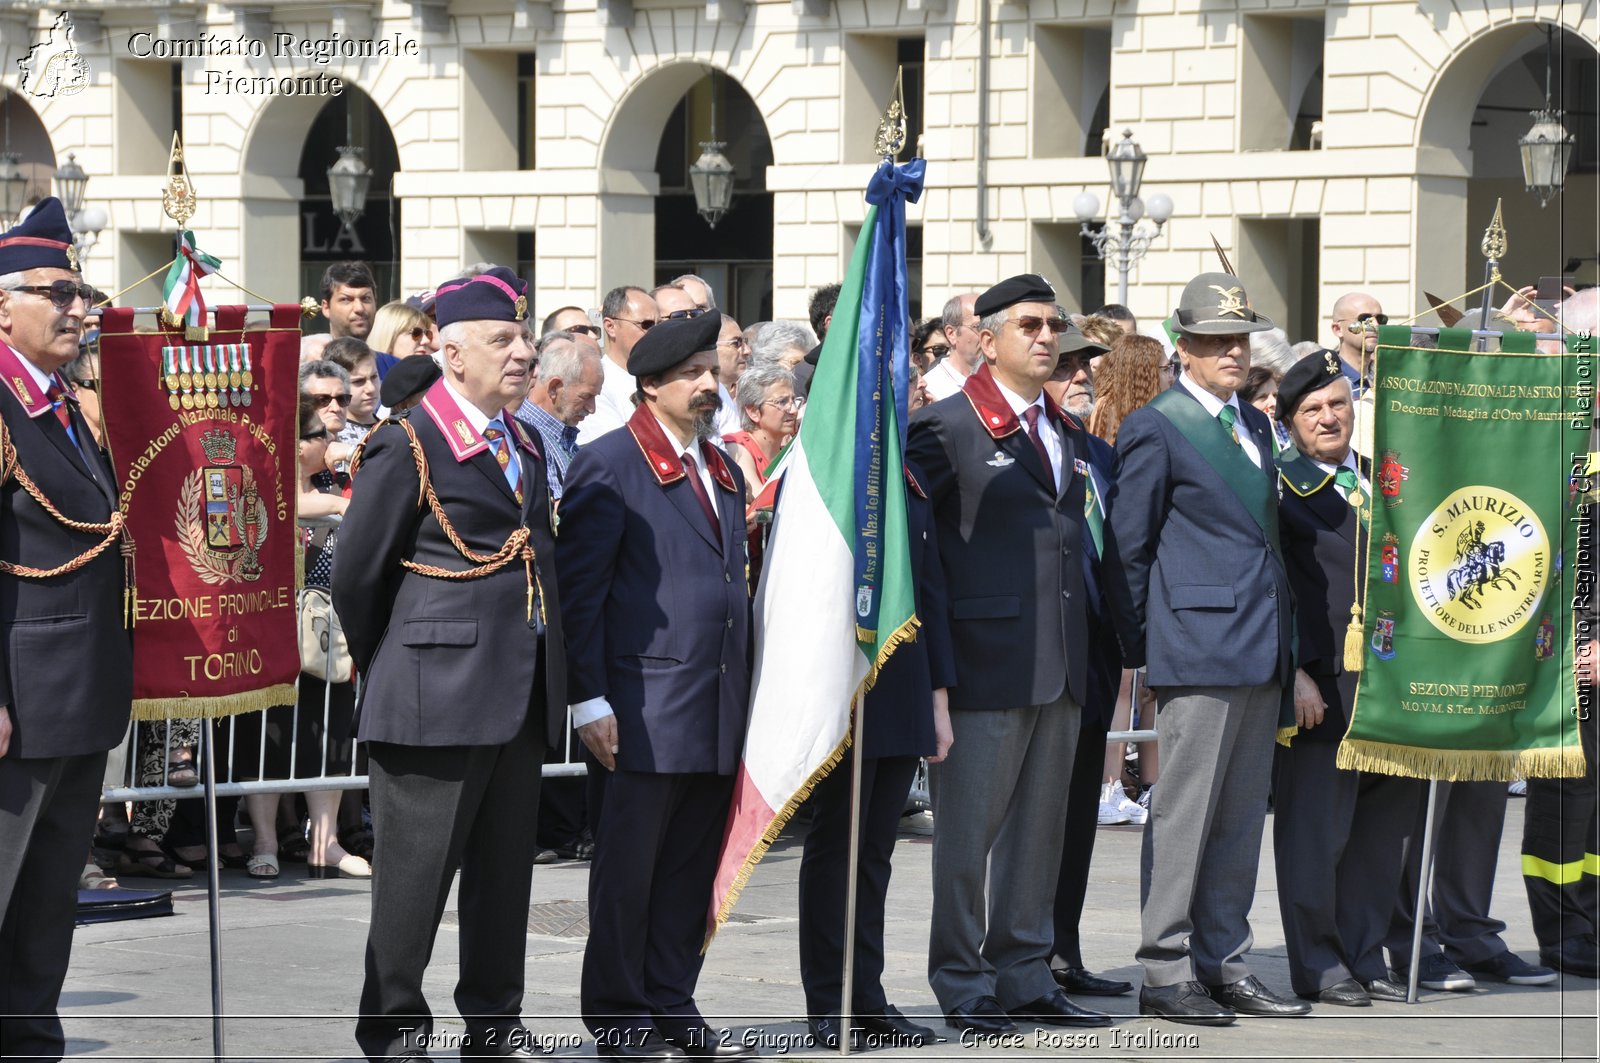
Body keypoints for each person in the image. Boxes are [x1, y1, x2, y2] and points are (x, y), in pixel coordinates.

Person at [333, 267, 567, 1060]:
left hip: (516, 693)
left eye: (524, 339)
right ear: (452, 352)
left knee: (505, 879)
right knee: (413, 882)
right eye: (503, 340)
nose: (521, 353)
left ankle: (495, 1024)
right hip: (432, 691)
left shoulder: (525, 439)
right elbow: (359, 575)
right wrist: (400, 664)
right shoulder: (408, 438)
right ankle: (394, 1030)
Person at [908, 274, 1111, 1034]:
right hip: (982, 661)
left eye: (1053, 324)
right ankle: (962, 980)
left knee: (1039, 832)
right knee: (966, 838)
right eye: (1029, 324)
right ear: (984, 340)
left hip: (1057, 660)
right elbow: (923, 559)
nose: (1047, 336)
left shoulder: (1065, 430)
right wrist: (934, 674)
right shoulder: (946, 428)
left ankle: (1024, 970)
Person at [1107, 271, 1303, 1026]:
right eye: (1216, 340)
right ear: (1183, 347)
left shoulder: (1253, 425)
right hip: (1195, 643)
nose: (1232, 351)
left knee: (1239, 816)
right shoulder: (1158, 424)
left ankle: (1225, 959)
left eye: (1239, 338)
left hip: (1258, 643)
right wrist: (1146, 648)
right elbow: (1130, 547)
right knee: (1185, 814)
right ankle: (1164, 966)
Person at [557, 311, 753, 1062]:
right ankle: (619, 1014)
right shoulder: (610, 463)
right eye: (693, 374)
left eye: (712, 370)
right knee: (628, 875)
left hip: (714, 704)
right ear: (650, 385)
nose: (710, 385)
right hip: (640, 706)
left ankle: (672, 999)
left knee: (687, 873)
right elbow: (582, 597)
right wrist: (590, 698)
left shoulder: (721, 466)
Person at [0, 197, 133, 1060]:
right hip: (19, 702)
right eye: (58, 290)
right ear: (2, 303)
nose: (80, 307)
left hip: (79, 697)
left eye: (82, 290)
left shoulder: (62, 405)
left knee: (47, 907)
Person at [1272, 353, 1414, 1006]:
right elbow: (1277, 587)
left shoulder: (1381, 479)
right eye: (1313, 409)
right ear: (1291, 421)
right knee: (1317, 835)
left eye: (1338, 402)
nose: (1329, 416)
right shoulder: (1280, 486)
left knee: (1380, 836)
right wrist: (1295, 668)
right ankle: (1319, 962)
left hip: (1393, 685)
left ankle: (1364, 953)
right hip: (1324, 685)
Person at [798, 461, 955, 1050]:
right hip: (841, 682)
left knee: (875, 855)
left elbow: (930, 589)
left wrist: (938, 697)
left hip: (902, 680)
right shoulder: (826, 468)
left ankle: (867, 995)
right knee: (838, 847)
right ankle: (829, 1000)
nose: (905, 383)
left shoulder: (909, 478)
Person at [230, 399, 368, 881]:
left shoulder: (338, 484)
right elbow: (276, 509)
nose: (328, 440)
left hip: (328, 626)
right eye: (317, 434)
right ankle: (265, 840)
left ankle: (324, 842)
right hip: (268, 624)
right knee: (267, 733)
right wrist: (335, 505)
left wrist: (339, 491)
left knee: (329, 727)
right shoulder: (261, 482)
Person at [1044, 330, 1135, 1001]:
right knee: (1030, 820)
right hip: (1036, 659)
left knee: (1077, 815)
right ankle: (1015, 950)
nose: (1080, 375)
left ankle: (1063, 948)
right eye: (1066, 364)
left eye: (1085, 365)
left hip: (1094, 657)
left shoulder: (1097, 451)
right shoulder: (1021, 447)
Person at [516, 330, 604, 500]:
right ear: (555, 387)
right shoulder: (528, 437)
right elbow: (558, 515)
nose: (592, 408)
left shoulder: (562, 438)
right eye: (586, 396)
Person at [577, 285, 658, 445]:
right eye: (646, 325)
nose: (656, 332)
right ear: (610, 327)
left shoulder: (664, 378)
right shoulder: (597, 382)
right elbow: (615, 451)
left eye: (659, 324)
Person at [722, 360, 799, 495]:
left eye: (794, 400)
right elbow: (760, 507)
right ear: (753, 412)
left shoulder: (790, 451)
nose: (793, 410)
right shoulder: (736, 448)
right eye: (782, 402)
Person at [921, 293, 980, 401]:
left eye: (989, 326)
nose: (987, 335)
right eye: (978, 327)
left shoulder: (999, 382)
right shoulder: (928, 389)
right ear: (951, 333)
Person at [324, 337, 381, 446]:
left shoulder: (392, 427)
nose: (371, 389)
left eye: (374, 377)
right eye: (358, 381)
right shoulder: (332, 439)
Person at [1328, 292, 1384, 393]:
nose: (1376, 326)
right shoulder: (1327, 380)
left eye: (1380, 319)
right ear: (1338, 329)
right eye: (1365, 319)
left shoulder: (1389, 379)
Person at [368, 300, 438, 379]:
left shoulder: (434, 379)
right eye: (416, 333)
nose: (426, 340)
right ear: (389, 337)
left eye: (427, 333)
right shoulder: (368, 383)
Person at [320, 261, 378, 340]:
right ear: (326, 308)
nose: (359, 308)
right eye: (346, 299)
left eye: (366, 298)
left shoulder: (389, 353)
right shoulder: (304, 352)